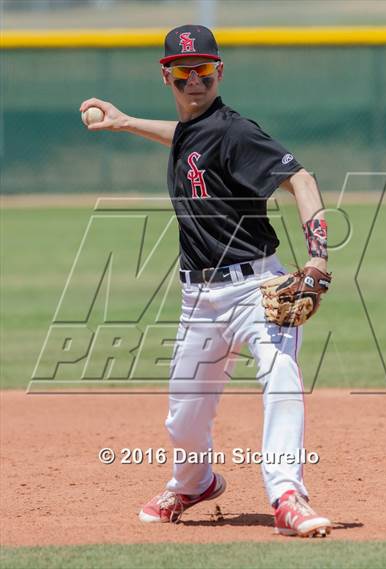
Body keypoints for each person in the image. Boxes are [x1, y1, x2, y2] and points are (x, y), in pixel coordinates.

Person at [80, 24, 332, 538]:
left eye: (205, 71)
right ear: (166, 76)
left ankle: (287, 495)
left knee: (281, 376)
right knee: (183, 417)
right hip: (198, 298)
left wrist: (318, 259)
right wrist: (125, 122)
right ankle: (195, 482)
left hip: (256, 288)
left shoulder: (237, 130)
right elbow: (187, 136)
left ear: (220, 72)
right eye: (182, 72)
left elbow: (301, 179)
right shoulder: (196, 129)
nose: (194, 81)